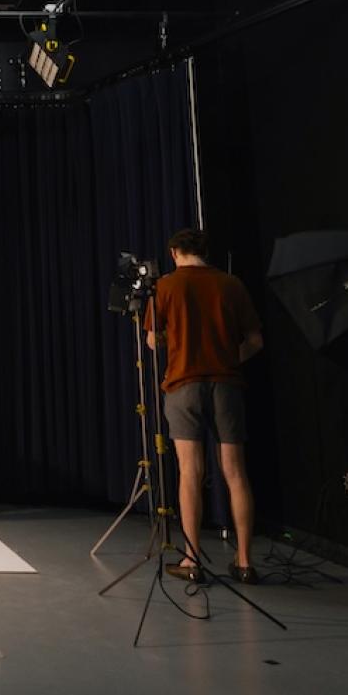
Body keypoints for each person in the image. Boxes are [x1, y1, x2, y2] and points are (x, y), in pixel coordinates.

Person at [145, 229, 264, 584]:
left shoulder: (166, 287)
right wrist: (229, 357)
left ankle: (191, 560)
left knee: (189, 472)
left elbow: (153, 341)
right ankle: (244, 562)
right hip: (226, 385)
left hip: (183, 385)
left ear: (174, 253)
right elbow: (256, 340)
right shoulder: (231, 284)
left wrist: (172, 337)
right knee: (236, 472)